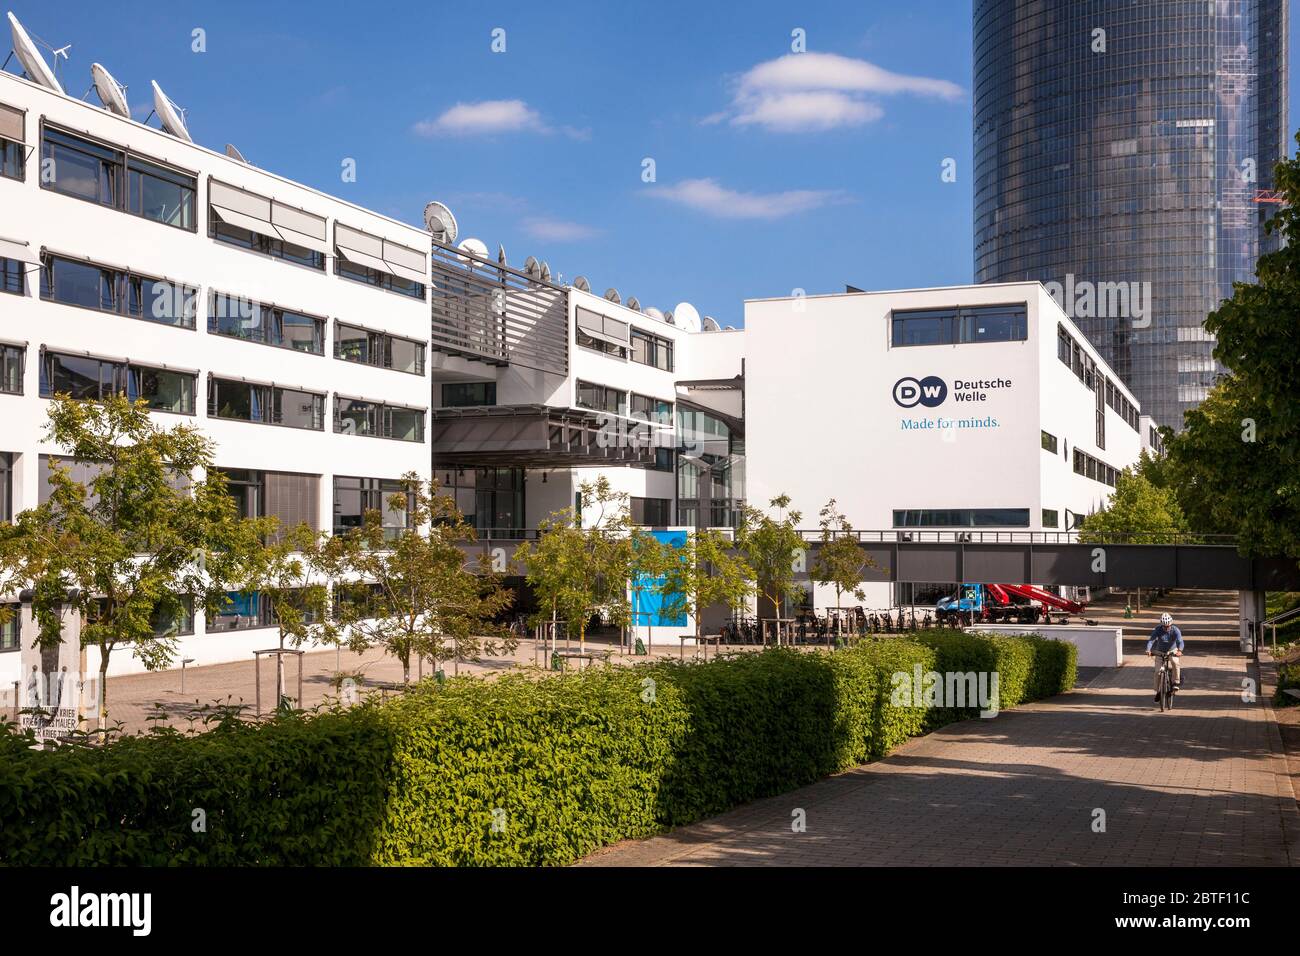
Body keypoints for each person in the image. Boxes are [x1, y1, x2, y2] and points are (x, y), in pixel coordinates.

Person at [1146, 612, 1184, 702]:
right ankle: (1158, 691)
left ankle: (1176, 682)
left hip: (1172, 650)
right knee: (1157, 672)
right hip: (1160, 651)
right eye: (1164, 626)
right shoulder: (1158, 629)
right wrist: (1148, 650)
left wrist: (1179, 651)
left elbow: (1180, 641)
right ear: (1161, 625)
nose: (1166, 628)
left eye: (1168, 626)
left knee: (1175, 662)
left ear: (1171, 624)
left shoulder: (1175, 630)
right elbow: (1151, 640)